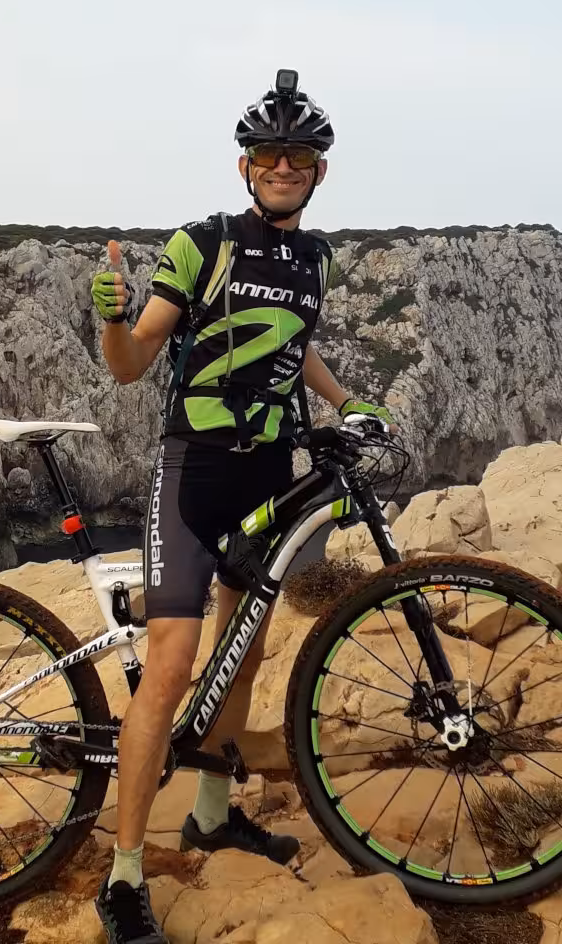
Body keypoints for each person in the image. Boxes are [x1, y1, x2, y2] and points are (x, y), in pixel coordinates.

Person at [86, 72, 394, 944]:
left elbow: (294, 352)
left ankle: (213, 816)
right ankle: (125, 874)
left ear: (319, 171)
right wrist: (112, 319)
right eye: (270, 154)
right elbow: (131, 361)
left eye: (301, 155)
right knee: (176, 662)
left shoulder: (315, 257)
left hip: (270, 472)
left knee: (246, 653)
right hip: (196, 472)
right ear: (246, 165)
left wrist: (349, 401)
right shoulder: (202, 243)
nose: (285, 166)